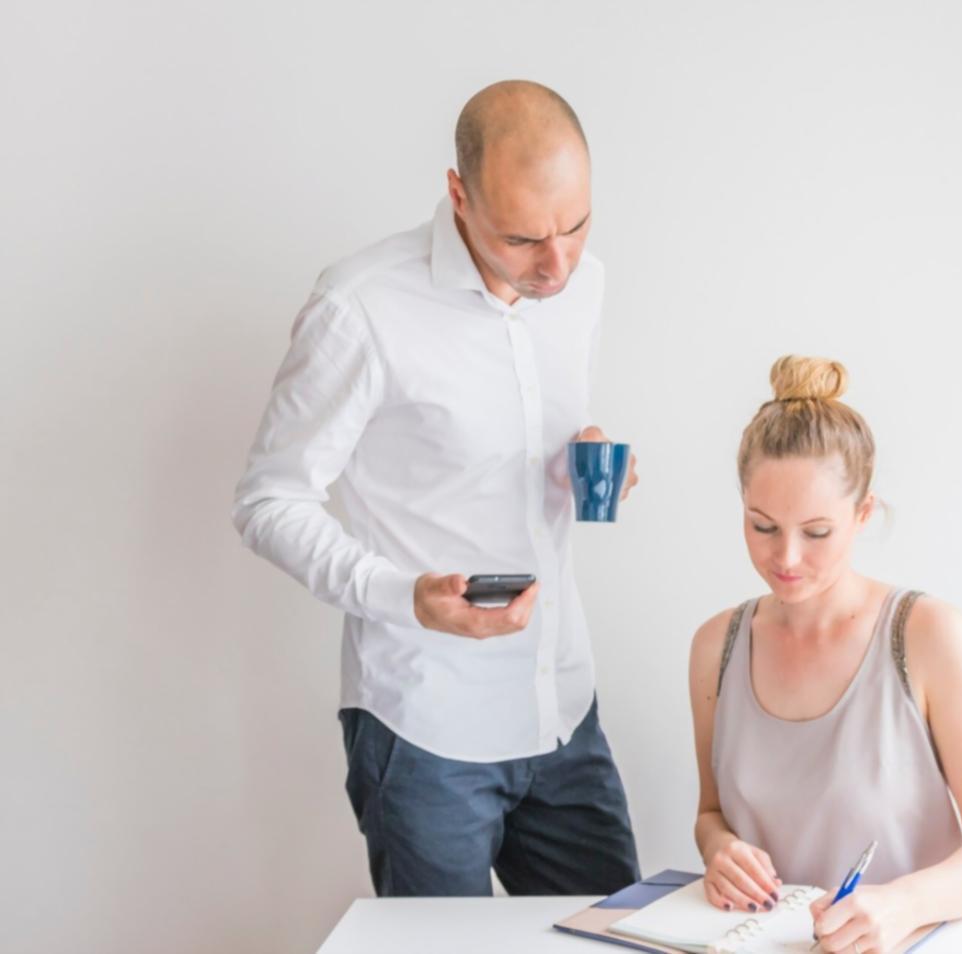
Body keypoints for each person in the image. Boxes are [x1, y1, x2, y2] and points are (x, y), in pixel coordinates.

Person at [231, 80, 641, 897]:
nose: (557, 263)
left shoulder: (579, 283)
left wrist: (584, 461)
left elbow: (517, 437)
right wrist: (401, 595)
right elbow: (268, 500)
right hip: (424, 728)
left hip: (561, 706)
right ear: (458, 193)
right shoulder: (360, 307)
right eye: (524, 238)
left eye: (576, 224)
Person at [687, 356, 962, 954]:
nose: (786, 558)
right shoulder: (716, 646)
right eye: (762, 526)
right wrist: (720, 850)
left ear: (863, 513)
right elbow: (711, 812)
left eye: (816, 532)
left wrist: (903, 905)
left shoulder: (928, 636)